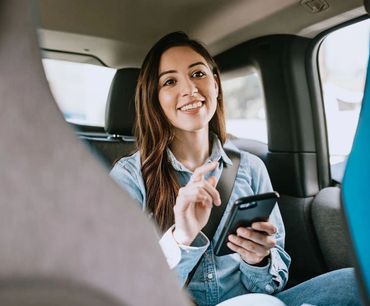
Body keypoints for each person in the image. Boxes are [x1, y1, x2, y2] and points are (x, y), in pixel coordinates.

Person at [110, 31, 360, 306]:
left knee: (354, 282)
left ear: (215, 84)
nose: (190, 89)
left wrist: (259, 259)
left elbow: (270, 283)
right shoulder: (129, 178)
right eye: (170, 81)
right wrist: (181, 238)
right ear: (154, 99)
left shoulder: (250, 167)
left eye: (198, 74)